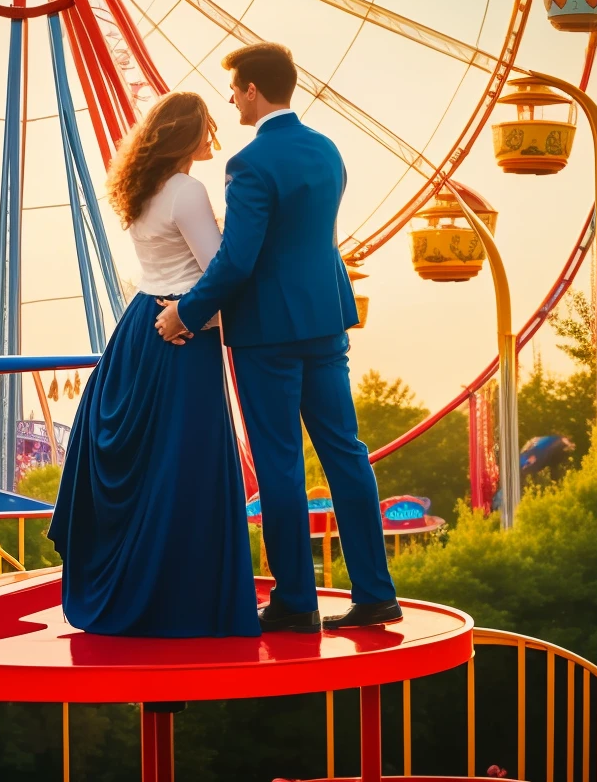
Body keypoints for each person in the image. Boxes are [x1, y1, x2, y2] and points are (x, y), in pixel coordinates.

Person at [155, 43, 401, 634]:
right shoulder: (327, 151)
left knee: (280, 465)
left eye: (235, 89)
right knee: (346, 452)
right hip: (325, 319)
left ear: (254, 92)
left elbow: (238, 261)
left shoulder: (248, 165)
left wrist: (185, 313)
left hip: (267, 331)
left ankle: (295, 600)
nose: (232, 99)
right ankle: (375, 592)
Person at [49, 92, 260, 638]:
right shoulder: (188, 190)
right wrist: (196, 316)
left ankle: (137, 589)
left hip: (141, 325)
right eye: (207, 127)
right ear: (189, 135)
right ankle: (182, 601)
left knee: (151, 470)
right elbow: (221, 270)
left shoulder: (142, 189)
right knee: (184, 469)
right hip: (182, 332)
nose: (214, 136)